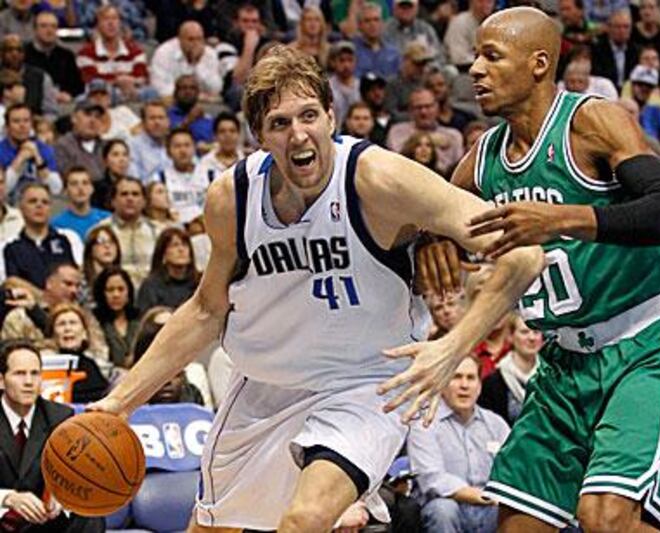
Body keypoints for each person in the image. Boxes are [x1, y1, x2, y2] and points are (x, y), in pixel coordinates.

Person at [89, 44, 545, 531]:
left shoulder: (377, 177)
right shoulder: (232, 197)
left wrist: (452, 348)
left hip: (366, 384)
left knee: (304, 519)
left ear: (332, 116)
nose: (298, 134)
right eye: (280, 123)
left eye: (309, 115)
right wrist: (120, 404)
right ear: (259, 136)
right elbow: (205, 311)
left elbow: (524, 253)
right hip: (264, 385)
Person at [409, 8, 660, 532]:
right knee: (519, 523)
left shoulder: (592, 122)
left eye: (491, 56)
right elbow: (429, 212)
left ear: (538, 64)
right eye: (474, 55)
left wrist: (562, 219)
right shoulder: (481, 162)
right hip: (563, 362)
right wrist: (431, 235)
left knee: (605, 517)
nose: (474, 69)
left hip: (645, 343)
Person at [0, 340, 105, 532]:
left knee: (89, 513)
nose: (29, 382)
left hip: (42, 521)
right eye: (19, 374)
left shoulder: (60, 417)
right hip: (3, 518)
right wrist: (8, 498)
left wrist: (63, 495)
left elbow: (76, 475)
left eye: (35, 373)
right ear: (1, 380)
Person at [407, 355, 510, 533]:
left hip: (491, 508)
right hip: (448, 505)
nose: (464, 385)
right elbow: (432, 479)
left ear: (479, 385)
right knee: (443, 509)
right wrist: (479, 495)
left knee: (513, 512)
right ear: (442, 384)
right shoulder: (425, 424)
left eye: (471, 378)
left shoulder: (496, 424)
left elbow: (513, 469)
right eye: (456, 377)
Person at [3, 184, 79, 289]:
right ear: (21, 208)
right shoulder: (12, 248)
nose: (39, 206)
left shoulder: (64, 240)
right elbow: (13, 284)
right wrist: (44, 298)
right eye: (33, 201)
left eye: (45, 202)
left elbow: (74, 277)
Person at [94, 177, 165, 288]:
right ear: (113, 201)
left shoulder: (159, 232)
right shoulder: (99, 232)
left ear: (144, 201)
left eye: (135, 194)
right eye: (124, 194)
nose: (130, 198)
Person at [75, 5, 149, 103]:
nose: (111, 23)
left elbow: (142, 78)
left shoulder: (136, 52)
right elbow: (92, 82)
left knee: (151, 92)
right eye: (106, 19)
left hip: (132, 93)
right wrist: (118, 81)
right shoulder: (85, 53)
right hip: (100, 99)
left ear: (120, 23)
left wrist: (130, 82)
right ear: (98, 25)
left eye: (114, 18)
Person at [479, 315, 542, 425]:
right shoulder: (492, 383)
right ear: (511, 337)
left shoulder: (552, 378)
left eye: (536, 332)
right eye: (524, 332)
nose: (532, 338)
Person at [47, 303, 111, 403]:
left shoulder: (92, 366)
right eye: (61, 324)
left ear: (84, 333)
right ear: (53, 335)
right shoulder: (47, 366)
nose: (67, 328)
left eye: (73, 323)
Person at [0, 103, 61, 203]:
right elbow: (3, 191)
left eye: (26, 121)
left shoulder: (43, 148)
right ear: (7, 127)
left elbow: (56, 189)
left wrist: (38, 158)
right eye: (16, 121)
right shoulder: (1, 150)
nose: (22, 125)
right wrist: (20, 158)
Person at [150, 21, 222, 101]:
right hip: (172, 102)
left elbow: (216, 88)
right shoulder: (164, 52)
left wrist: (197, 64)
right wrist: (193, 95)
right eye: (191, 39)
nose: (196, 44)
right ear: (180, 39)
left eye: (199, 39)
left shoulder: (210, 54)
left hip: (202, 104)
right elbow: (160, 87)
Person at [24, 11, 84, 101]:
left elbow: (78, 87)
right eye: (44, 26)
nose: (49, 30)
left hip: (63, 103)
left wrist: (69, 94)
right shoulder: (24, 53)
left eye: (53, 26)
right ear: (35, 30)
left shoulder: (67, 55)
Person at [136, 227, 200, 312]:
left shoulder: (200, 282)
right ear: (163, 254)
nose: (181, 249)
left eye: (184, 245)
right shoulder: (151, 286)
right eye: (174, 245)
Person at [92, 266, 139, 368]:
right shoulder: (93, 321)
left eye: (121, 289)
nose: (116, 295)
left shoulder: (138, 320)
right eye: (110, 290)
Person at [52, 167, 111, 240]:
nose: (80, 188)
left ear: (92, 189)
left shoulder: (107, 219)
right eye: (74, 184)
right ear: (66, 190)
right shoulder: (56, 224)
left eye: (85, 183)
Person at [168, 74, 215, 150]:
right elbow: (165, 140)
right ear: (175, 93)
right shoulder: (166, 116)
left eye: (192, 88)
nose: (188, 91)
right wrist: (188, 121)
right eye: (184, 88)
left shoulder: (209, 120)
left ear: (197, 93)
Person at [128, 101, 171, 181]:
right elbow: (134, 180)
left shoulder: (176, 143)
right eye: (152, 118)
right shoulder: (132, 145)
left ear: (168, 122)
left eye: (161, 118)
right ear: (143, 123)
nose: (157, 122)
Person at [196, 112, 244, 184]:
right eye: (222, 131)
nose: (228, 136)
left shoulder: (247, 164)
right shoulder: (205, 163)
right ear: (215, 136)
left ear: (238, 134)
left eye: (232, 131)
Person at [82, 225, 121, 291]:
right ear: (90, 249)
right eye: (101, 242)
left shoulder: (123, 280)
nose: (107, 246)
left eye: (111, 242)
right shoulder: (80, 282)